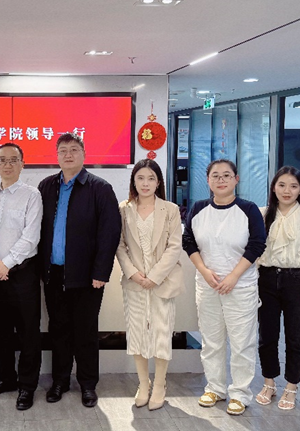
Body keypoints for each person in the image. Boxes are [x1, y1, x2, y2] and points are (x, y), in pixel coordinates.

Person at [37, 132, 120, 408]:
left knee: (85, 332)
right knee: (58, 329)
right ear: (57, 156)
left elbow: (109, 233)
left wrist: (101, 272)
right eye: (63, 150)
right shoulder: (46, 186)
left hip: (87, 277)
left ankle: (87, 384)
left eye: (74, 149)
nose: (68, 155)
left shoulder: (100, 188)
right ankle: (59, 381)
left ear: (84, 154)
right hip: (53, 273)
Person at [182, 159, 266, 416]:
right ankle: (215, 388)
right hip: (208, 285)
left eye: (227, 175)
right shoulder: (198, 209)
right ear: (208, 180)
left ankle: (240, 393)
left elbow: (257, 244)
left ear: (236, 179)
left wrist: (233, 277)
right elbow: (188, 242)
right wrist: (204, 271)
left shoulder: (248, 210)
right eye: (215, 176)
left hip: (240, 286)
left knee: (242, 342)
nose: (221, 180)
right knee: (211, 340)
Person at [115, 159, 184, 411]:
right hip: (134, 283)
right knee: (137, 334)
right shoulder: (124, 209)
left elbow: (175, 246)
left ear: (158, 182)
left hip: (162, 282)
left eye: (151, 178)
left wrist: (154, 276)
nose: (145, 183)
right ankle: (143, 384)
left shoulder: (170, 209)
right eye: (140, 178)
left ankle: (160, 385)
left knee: (161, 334)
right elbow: (119, 245)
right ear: (133, 181)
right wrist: (134, 274)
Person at [254, 166, 300, 410]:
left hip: (297, 281)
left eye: (294, 186)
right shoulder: (263, 214)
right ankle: (269, 382)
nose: (287, 191)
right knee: (267, 335)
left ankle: (291, 386)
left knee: (296, 337)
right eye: (282, 185)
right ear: (274, 187)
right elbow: (255, 251)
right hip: (266, 280)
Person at [0, 143, 43, 411]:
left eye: (13, 160)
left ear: (22, 164)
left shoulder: (32, 195)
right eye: (2, 160)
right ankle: (5, 378)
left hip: (23, 272)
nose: (7, 165)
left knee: (28, 332)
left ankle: (27, 386)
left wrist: (6, 263)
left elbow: (31, 237)